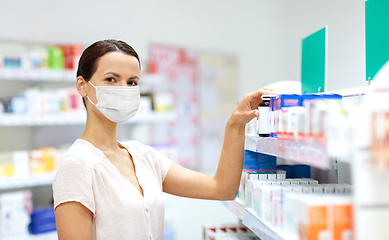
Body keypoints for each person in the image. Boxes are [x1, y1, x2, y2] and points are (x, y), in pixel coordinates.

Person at [53, 39, 275, 240]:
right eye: (111, 79)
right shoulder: (77, 165)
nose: (124, 89)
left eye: (132, 82)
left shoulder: (143, 157)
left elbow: (221, 188)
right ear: (82, 86)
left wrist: (234, 124)